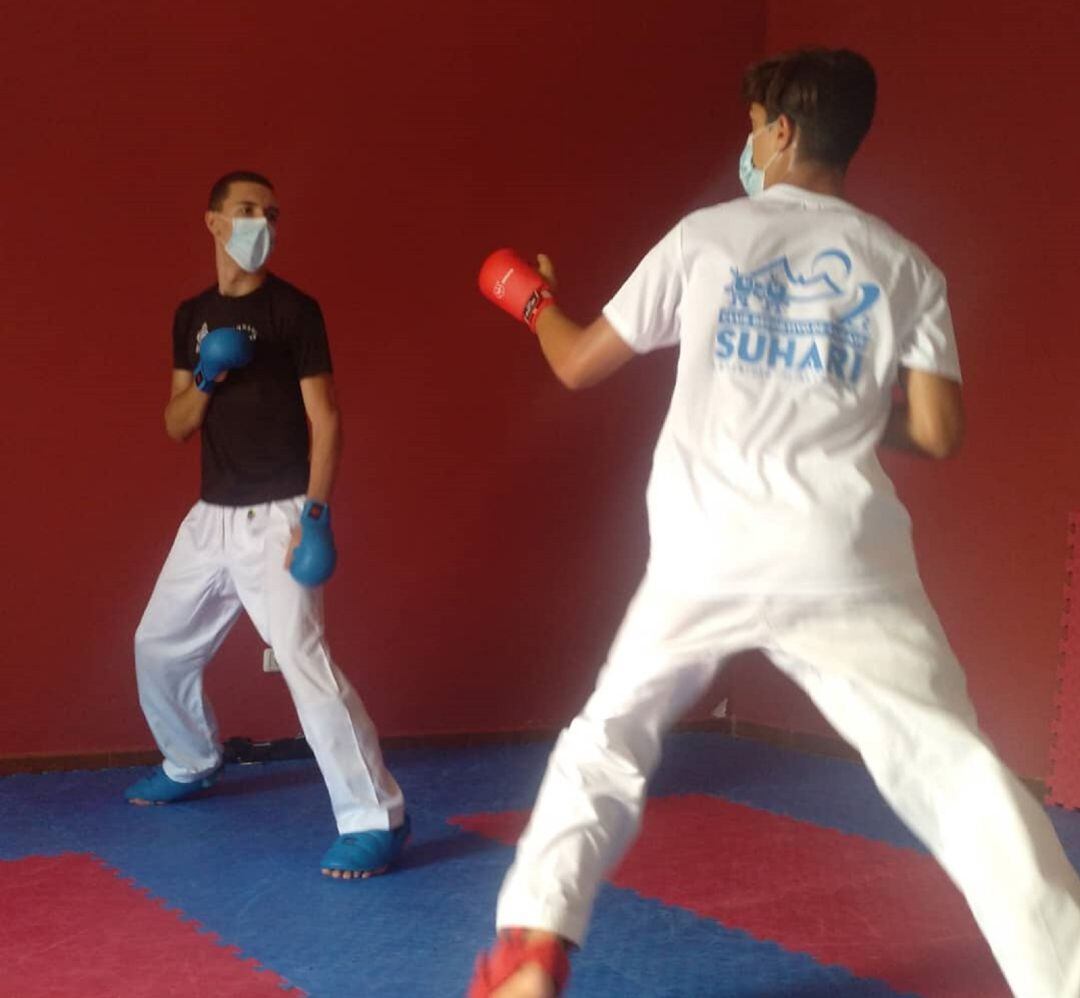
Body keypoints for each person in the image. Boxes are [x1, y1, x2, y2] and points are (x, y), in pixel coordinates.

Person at [470, 49, 1080, 998]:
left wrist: (534, 300)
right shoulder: (907, 265)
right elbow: (938, 430)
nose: (748, 144)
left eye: (754, 126)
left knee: (608, 736)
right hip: (841, 550)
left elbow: (580, 362)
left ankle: (533, 944)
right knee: (956, 776)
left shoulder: (706, 236)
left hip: (704, 546)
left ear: (782, 129)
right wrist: (830, 393)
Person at [126, 170, 409, 879]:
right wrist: (209, 373)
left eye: (272, 214)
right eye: (248, 210)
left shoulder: (294, 311)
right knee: (156, 646)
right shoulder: (190, 314)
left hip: (277, 514)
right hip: (210, 517)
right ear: (214, 221)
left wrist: (315, 512)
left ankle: (377, 816)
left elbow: (327, 418)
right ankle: (192, 760)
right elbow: (174, 424)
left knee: (304, 663)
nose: (264, 223)